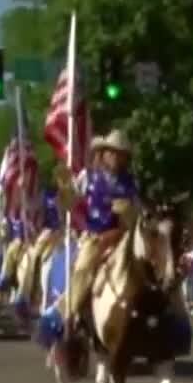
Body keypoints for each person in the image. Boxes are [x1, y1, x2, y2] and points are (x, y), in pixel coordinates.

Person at [56, 130, 142, 332]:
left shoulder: (131, 182)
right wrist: (64, 188)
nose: (114, 156)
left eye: (119, 153)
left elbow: (138, 213)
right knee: (83, 268)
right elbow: (70, 202)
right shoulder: (88, 177)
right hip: (95, 237)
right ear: (102, 154)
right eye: (110, 152)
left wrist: (129, 212)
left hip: (124, 238)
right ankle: (69, 314)